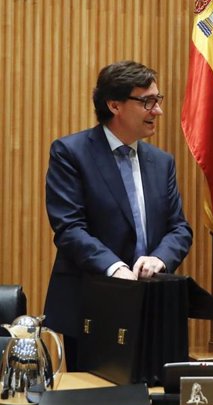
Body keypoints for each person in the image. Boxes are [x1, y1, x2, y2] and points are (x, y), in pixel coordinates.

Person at [43, 61, 193, 371]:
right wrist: (115, 268)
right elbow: (70, 228)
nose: (157, 111)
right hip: (93, 308)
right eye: (147, 101)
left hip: (152, 307)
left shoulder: (161, 161)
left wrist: (160, 259)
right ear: (115, 106)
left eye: (158, 100)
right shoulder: (71, 153)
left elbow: (179, 228)